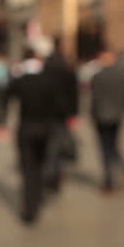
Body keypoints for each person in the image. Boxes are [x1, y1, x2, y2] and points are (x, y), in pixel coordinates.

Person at [3, 48, 66, 225]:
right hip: (45, 129)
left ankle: (29, 205)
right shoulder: (48, 81)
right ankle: (37, 199)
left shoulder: (20, 80)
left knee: (27, 167)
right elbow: (60, 106)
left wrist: (2, 123)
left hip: (26, 128)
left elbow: (5, 98)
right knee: (39, 165)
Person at [89, 50, 124, 194]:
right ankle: (123, 171)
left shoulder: (97, 77)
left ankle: (109, 182)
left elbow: (94, 100)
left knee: (105, 149)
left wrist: (92, 116)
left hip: (101, 118)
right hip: (116, 117)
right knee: (114, 146)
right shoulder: (121, 76)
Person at [42, 39, 80, 193]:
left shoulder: (46, 68)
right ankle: (57, 172)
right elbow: (74, 93)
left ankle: (50, 171)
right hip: (63, 113)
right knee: (60, 143)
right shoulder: (67, 69)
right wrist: (74, 114)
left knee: (50, 144)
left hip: (47, 112)